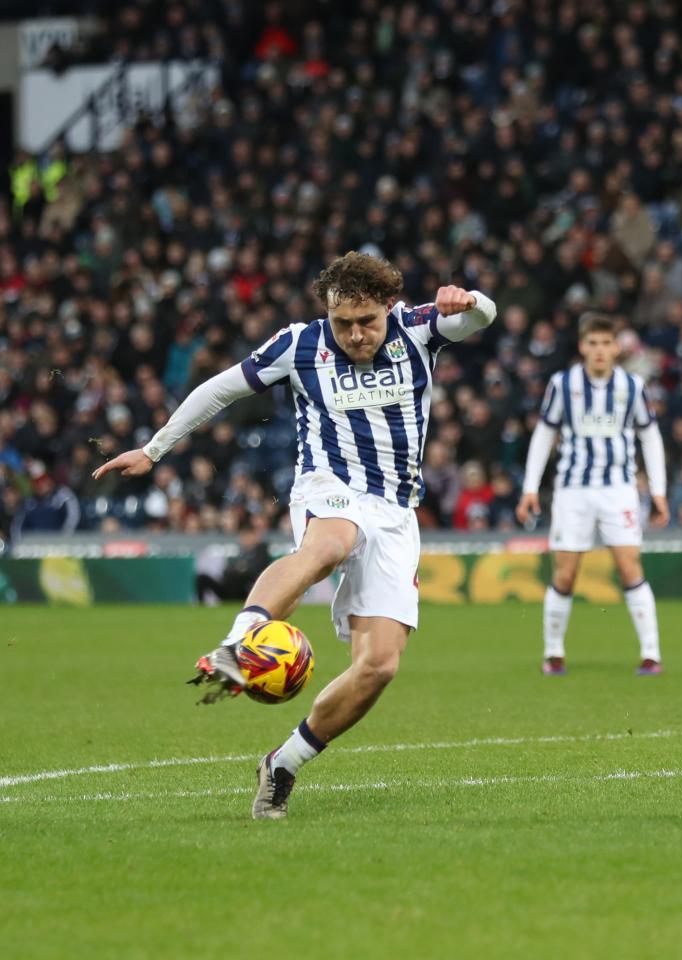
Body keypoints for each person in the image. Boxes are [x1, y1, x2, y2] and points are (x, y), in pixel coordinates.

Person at [93, 251, 497, 819]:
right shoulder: (299, 344)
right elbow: (220, 389)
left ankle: (282, 764)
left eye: (366, 322)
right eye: (342, 323)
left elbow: (483, 317)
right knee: (329, 543)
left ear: (388, 307)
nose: (355, 334)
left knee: (380, 665)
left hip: (396, 511)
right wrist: (155, 448)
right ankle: (239, 644)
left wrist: (471, 300)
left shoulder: (417, 327)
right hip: (327, 486)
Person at [517, 313, 669, 675]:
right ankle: (553, 653)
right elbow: (544, 434)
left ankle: (651, 654)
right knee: (565, 573)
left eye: (606, 343)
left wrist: (659, 491)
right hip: (573, 490)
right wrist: (529, 487)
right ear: (583, 347)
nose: (599, 350)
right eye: (593, 343)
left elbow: (650, 435)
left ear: (616, 348)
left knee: (630, 566)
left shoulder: (632, 386)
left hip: (619, 489)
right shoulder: (562, 383)